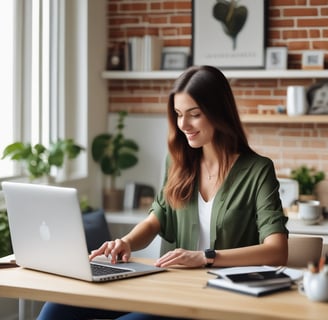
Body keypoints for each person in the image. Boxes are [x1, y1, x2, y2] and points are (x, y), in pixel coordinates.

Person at [37, 65, 289, 320]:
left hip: (217, 298)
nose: (184, 124)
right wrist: (126, 242)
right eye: (178, 114)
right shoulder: (178, 162)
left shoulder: (257, 170)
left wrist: (205, 257)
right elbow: (156, 218)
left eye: (194, 114)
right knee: (54, 309)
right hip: (167, 288)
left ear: (218, 113)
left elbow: (277, 249)